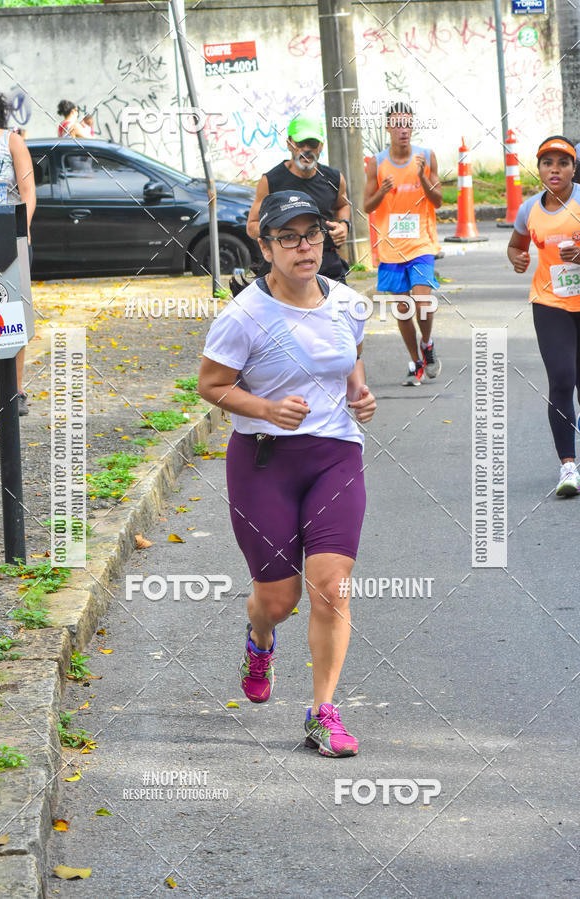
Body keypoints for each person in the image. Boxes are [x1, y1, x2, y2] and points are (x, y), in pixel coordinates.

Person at [198, 191, 377, 757]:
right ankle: (260, 639)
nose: (306, 248)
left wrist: (359, 393)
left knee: (330, 587)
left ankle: (323, 711)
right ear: (266, 245)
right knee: (279, 598)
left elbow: (348, 356)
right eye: (290, 238)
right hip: (263, 462)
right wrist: (265, 408)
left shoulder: (348, 303)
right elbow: (211, 386)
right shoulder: (244, 316)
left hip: (334, 456)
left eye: (314, 235)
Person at [508, 135, 580, 497]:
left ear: (573, 168)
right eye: (548, 163)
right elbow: (516, 244)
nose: (555, 169)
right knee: (563, 379)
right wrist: (516, 258)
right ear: (538, 169)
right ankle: (568, 466)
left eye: (563, 163)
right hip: (550, 302)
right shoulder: (529, 209)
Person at [363, 101, 442, 386]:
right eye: (397, 124)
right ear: (388, 128)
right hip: (391, 247)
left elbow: (438, 200)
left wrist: (422, 176)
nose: (403, 130)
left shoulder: (426, 156)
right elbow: (366, 204)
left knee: (422, 301)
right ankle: (418, 361)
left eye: (407, 124)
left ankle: (428, 342)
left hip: (421, 243)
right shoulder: (377, 162)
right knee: (403, 309)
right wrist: (382, 192)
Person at [0, 88, 36, 415]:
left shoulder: (11, 141)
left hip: (10, 243)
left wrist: (21, 229)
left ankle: (14, 392)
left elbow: (28, 191)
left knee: (11, 315)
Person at [247, 114, 351, 283]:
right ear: (289, 144)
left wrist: (344, 225)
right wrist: (285, 233)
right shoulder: (271, 181)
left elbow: (342, 206)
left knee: (342, 308)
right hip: (285, 268)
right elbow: (252, 226)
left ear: (321, 146)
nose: (306, 150)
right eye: (300, 143)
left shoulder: (334, 179)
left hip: (327, 266)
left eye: (312, 144)